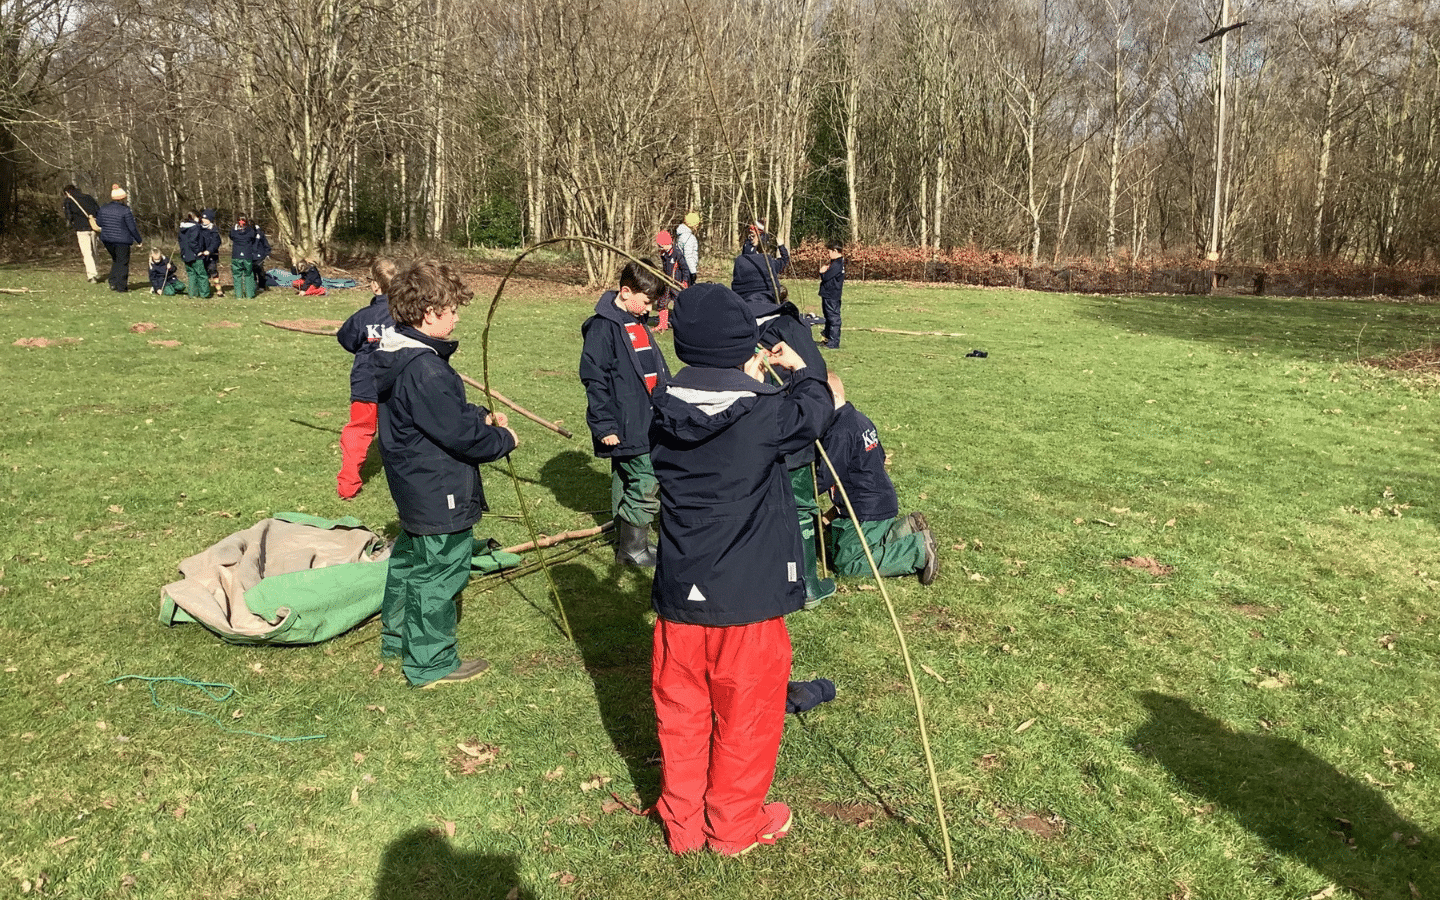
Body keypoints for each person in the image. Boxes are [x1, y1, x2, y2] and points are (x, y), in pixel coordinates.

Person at [648, 282, 833, 856]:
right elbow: (817, 409)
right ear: (741, 347)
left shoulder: (661, 408)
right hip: (745, 603)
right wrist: (802, 370)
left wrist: (741, 375)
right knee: (746, 717)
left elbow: (713, 406)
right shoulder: (765, 414)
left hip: (680, 597)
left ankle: (683, 825)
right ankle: (732, 827)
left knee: (682, 714)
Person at [371, 260, 519, 688]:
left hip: (414, 484)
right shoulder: (426, 369)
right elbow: (458, 435)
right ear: (428, 312)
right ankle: (431, 662)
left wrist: (479, 415)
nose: (456, 317)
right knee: (439, 572)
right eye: (451, 310)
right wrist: (502, 439)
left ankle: (398, 638)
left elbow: (439, 416)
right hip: (438, 489)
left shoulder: (403, 356)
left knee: (410, 562)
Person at [743, 268, 835, 607]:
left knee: (773, 505)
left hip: (758, 434)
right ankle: (802, 584)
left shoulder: (738, 328)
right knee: (797, 506)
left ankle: (787, 580)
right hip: (788, 433)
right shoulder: (785, 328)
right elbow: (816, 376)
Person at [579, 260, 671, 567]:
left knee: (626, 477)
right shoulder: (602, 328)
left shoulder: (637, 321)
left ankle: (627, 540)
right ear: (626, 291)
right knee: (646, 479)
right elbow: (594, 380)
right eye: (646, 301)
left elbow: (653, 368)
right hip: (624, 422)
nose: (649, 309)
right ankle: (633, 550)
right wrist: (604, 424)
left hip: (647, 419)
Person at [816, 372, 938, 584]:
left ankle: (917, 549)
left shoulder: (839, 432)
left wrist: (796, 493)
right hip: (881, 499)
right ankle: (903, 530)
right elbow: (879, 456)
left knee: (846, 562)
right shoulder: (859, 419)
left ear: (833, 397)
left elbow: (823, 477)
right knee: (839, 543)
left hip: (865, 510)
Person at [335, 257, 399, 500]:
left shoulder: (363, 317)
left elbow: (347, 339)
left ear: (375, 285)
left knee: (359, 430)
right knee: (404, 430)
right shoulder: (406, 315)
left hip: (366, 383)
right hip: (398, 383)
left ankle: (347, 485)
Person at [95, 184, 143, 292]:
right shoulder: (125, 210)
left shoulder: (103, 209)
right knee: (123, 262)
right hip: (122, 240)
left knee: (116, 260)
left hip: (107, 239)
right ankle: (121, 287)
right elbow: (132, 227)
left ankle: (113, 282)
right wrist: (139, 240)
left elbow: (99, 223)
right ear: (122, 198)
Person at [730, 222, 789, 305]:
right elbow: (785, 260)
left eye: (753, 236)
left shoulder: (743, 264)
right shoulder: (770, 264)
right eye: (750, 236)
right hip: (766, 305)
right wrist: (781, 246)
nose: (750, 238)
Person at [62, 185, 101, 283]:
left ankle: (92, 275)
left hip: (81, 229)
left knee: (87, 253)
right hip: (93, 227)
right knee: (94, 251)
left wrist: (72, 223)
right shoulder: (88, 197)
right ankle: (96, 271)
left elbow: (69, 216)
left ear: (67, 193)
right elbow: (98, 210)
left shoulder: (68, 201)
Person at [653, 231, 690, 332]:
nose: (659, 247)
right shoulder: (664, 254)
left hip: (676, 283)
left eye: (661, 245)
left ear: (666, 243)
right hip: (667, 283)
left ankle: (683, 324)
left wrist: (685, 281)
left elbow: (685, 269)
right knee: (662, 302)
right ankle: (662, 324)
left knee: (679, 304)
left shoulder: (677, 254)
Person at [818, 240, 845, 349]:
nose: (828, 254)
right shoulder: (837, 262)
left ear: (835, 251)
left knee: (833, 318)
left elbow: (826, 277)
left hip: (831, 295)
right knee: (828, 317)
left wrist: (822, 272)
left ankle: (833, 342)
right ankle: (827, 338)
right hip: (829, 294)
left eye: (829, 252)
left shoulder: (837, 264)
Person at [177, 211, 211, 298]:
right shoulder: (195, 227)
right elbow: (193, 241)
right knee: (202, 274)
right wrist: (198, 251)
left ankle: (192, 294)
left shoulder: (182, 228)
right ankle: (204, 294)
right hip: (195, 255)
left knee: (191, 275)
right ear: (196, 217)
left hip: (185, 254)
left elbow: (181, 241)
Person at [228, 215, 262, 299]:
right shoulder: (250, 231)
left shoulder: (233, 231)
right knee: (248, 274)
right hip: (247, 255)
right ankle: (249, 295)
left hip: (236, 255)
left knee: (237, 275)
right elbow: (254, 237)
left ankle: (238, 295)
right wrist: (257, 229)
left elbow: (231, 236)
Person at [198, 209, 223, 297]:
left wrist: (209, 250)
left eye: (206, 219)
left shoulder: (214, 229)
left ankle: (219, 290)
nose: (204, 220)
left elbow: (217, 242)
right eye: (203, 218)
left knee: (213, 271)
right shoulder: (198, 228)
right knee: (204, 273)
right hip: (201, 254)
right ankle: (205, 289)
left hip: (211, 254)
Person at [675, 212, 700, 282]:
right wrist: (693, 272)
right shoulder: (690, 238)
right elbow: (688, 256)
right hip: (687, 270)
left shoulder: (680, 235)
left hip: (680, 268)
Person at [252, 221, 272, 292]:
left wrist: (267, 253)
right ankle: (253, 285)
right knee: (252, 271)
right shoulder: (247, 234)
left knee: (260, 271)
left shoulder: (260, 234)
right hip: (250, 255)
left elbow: (265, 244)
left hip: (259, 255)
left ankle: (262, 286)